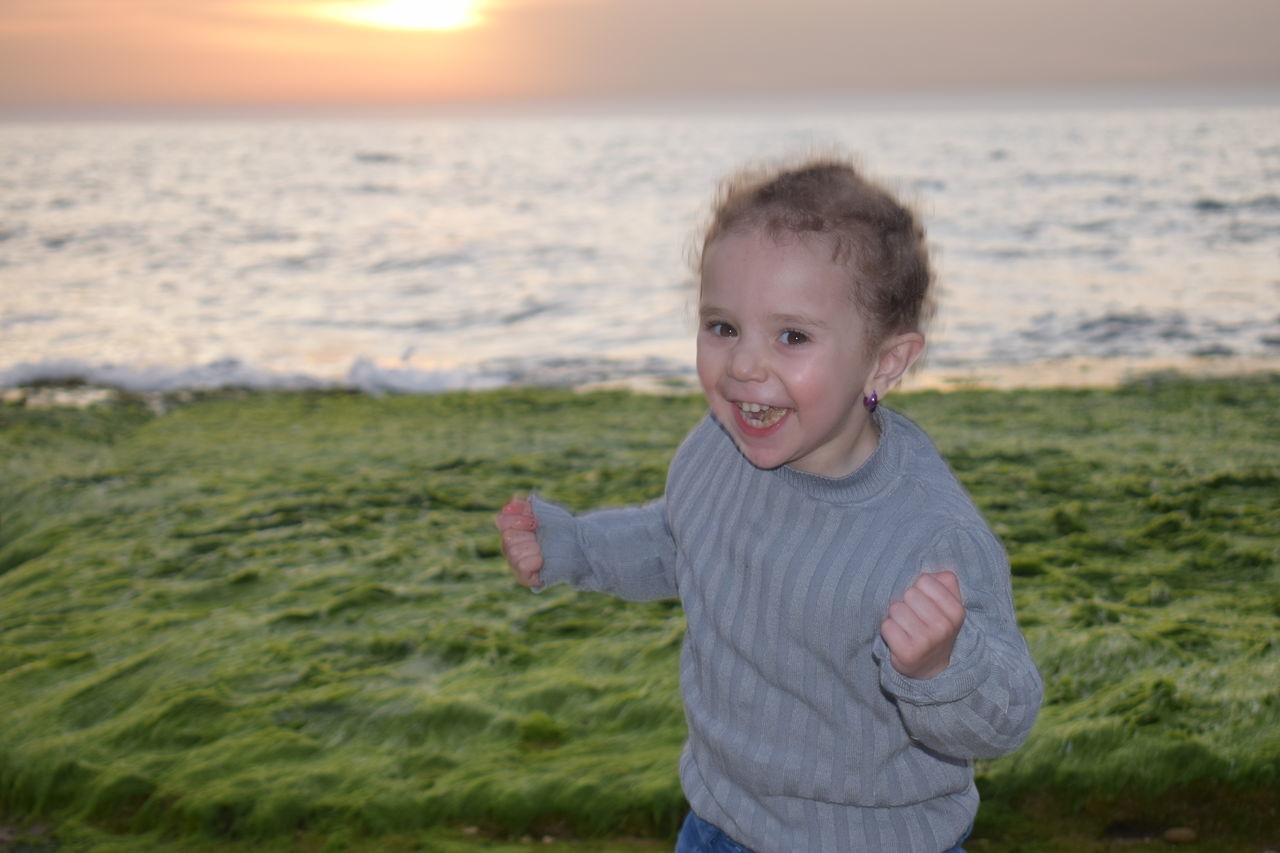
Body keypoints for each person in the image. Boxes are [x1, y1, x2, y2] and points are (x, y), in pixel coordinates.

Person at [495, 156, 1042, 853]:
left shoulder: (928, 538)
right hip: (719, 822)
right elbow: (679, 540)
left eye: (791, 336)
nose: (745, 366)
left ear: (884, 363)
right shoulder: (718, 447)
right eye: (722, 326)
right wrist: (576, 546)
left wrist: (942, 666)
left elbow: (1008, 717)